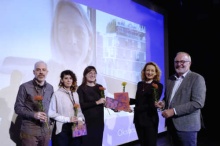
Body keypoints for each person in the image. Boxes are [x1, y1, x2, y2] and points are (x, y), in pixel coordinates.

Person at [155, 52, 206, 146]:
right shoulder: (171, 79)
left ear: (189, 63)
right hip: (171, 126)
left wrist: (173, 111)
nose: (179, 64)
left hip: (187, 127)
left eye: (182, 61)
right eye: (176, 62)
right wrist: (163, 103)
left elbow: (198, 103)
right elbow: (168, 98)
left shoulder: (197, 78)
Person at [14, 61, 54, 146]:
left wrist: (50, 122)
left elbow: (51, 107)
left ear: (47, 72)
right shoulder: (24, 87)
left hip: (45, 131)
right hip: (30, 131)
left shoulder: (50, 88)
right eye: (38, 69)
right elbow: (18, 108)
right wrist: (34, 115)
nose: (41, 72)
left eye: (43, 70)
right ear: (34, 72)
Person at [128, 62, 163, 146]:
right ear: (144, 72)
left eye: (152, 71)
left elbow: (151, 104)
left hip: (150, 120)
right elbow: (139, 100)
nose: (149, 72)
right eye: (147, 70)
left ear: (156, 73)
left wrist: (134, 109)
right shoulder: (140, 84)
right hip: (138, 119)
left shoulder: (158, 85)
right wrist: (125, 101)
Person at [48, 70, 85, 146]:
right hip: (63, 129)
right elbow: (51, 113)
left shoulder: (75, 94)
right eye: (66, 78)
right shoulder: (57, 94)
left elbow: (79, 111)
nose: (68, 80)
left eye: (70, 78)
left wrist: (81, 120)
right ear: (62, 80)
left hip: (76, 127)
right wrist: (68, 119)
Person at [77, 66, 106, 146]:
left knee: (97, 143)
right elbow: (81, 105)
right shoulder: (81, 88)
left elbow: (103, 101)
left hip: (99, 122)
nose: (92, 75)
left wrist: (117, 106)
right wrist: (97, 102)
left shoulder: (99, 87)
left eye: (94, 73)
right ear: (85, 75)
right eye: (90, 73)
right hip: (85, 122)